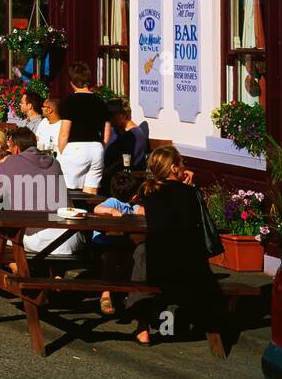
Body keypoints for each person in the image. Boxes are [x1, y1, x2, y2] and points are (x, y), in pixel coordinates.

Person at [128, 146, 226, 347]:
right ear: (174, 168)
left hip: (160, 267)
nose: (184, 166)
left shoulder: (148, 192)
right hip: (192, 269)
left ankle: (143, 326)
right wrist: (190, 187)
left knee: (142, 252)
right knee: (152, 255)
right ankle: (177, 323)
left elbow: (140, 203)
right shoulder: (190, 193)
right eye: (182, 163)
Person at [0, 127, 77, 256]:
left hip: (38, 238)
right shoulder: (54, 162)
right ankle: (53, 275)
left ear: (16, 148)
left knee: (1, 240)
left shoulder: (11, 161)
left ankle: (18, 274)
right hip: (69, 237)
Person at [92, 170, 143, 314]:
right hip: (103, 241)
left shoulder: (133, 206)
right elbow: (97, 208)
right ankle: (105, 293)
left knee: (131, 256)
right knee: (109, 259)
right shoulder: (113, 202)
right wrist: (111, 211)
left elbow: (142, 211)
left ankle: (126, 290)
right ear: (134, 195)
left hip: (120, 241)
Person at [57, 62, 107, 194]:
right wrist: (101, 147)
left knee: (66, 191)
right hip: (96, 149)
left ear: (72, 82)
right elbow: (107, 132)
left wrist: (62, 152)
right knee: (90, 193)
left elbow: (64, 133)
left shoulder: (69, 102)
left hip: (75, 148)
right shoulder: (100, 101)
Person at [102, 98, 150, 192]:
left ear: (123, 115)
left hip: (122, 181)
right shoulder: (116, 131)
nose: (109, 118)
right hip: (111, 177)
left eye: (112, 115)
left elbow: (126, 161)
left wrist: (104, 172)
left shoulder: (135, 135)